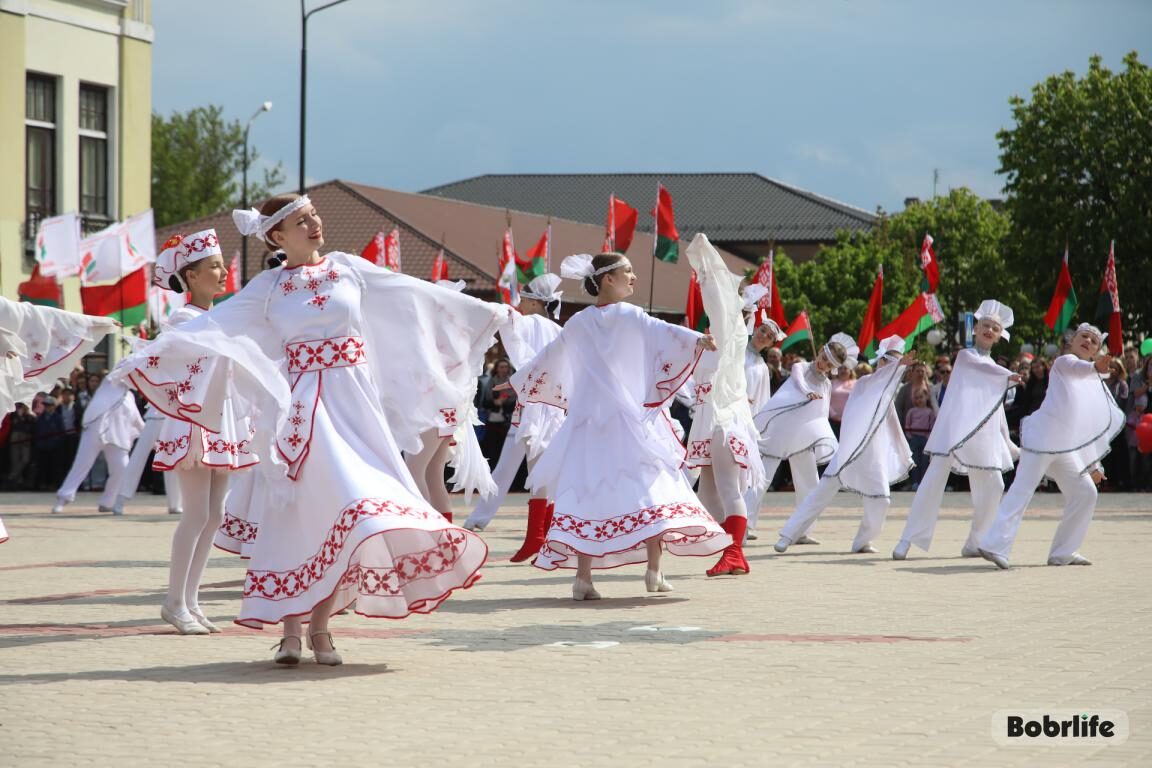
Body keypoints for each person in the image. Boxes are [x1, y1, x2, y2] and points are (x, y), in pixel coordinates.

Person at [117, 193, 504, 664]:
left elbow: (411, 294)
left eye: (314, 216)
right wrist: (147, 357)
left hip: (355, 406)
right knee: (300, 512)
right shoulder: (268, 286)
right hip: (300, 410)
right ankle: (290, 632)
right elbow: (215, 325)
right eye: (302, 220)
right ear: (278, 235)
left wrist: (488, 314)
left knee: (355, 506)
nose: (314, 224)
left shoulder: (349, 268)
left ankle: (320, 629)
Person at [510, 250, 728, 599]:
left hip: (587, 424)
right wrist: (698, 340)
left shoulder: (577, 322)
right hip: (630, 420)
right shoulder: (630, 315)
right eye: (628, 271)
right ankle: (653, 570)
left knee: (587, 492)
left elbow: (551, 360)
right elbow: (665, 333)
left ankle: (584, 578)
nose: (633, 277)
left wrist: (523, 381)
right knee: (652, 488)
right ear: (607, 279)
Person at [146, 230, 255, 634]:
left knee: (215, 515)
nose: (223, 271)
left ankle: (190, 599)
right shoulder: (184, 319)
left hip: (221, 419)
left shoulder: (218, 318)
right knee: (196, 513)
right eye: (213, 266)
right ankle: (174, 600)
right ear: (190, 277)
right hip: (194, 423)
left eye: (222, 264)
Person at [979, 324, 1124, 568]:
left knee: (1086, 493)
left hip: (1066, 447)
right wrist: (1093, 366)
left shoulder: (1093, 381)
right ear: (1073, 340)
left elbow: (1085, 426)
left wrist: (1093, 464)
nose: (1088, 341)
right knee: (1023, 489)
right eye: (1084, 336)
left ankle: (1063, 552)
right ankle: (994, 545)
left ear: (1098, 349)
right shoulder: (1065, 362)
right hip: (1043, 439)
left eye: (1094, 341)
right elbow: (1076, 367)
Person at [892, 301, 1021, 560]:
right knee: (932, 481)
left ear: (999, 335)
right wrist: (1007, 376)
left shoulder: (995, 366)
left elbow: (997, 407)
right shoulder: (965, 356)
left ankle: (975, 541)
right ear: (975, 329)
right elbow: (985, 370)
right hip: (953, 430)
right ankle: (907, 538)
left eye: (995, 328)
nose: (989, 330)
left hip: (982, 434)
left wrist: (1006, 440)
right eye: (986, 325)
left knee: (995, 484)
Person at [774, 336, 914, 553]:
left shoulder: (887, 394)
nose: (898, 370)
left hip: (872, 457)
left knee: (881, 500)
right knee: (820, 494)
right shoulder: (866, 383)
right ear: (883, 363)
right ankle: (788, 534)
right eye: (894, 364)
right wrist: (898, 366)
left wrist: (905, 453)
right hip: (848, 452)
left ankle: (862, 541)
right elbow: (879, 382)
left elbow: (893, 424)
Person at [463, 274, 565, 566]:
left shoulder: (530, 323)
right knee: (540, 469)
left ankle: (537, 538)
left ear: (535, 301)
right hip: (551, 403)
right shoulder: (557, 329)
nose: (519, 304)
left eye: (524, 298)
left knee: (533, 468)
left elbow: (516, 342)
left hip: (534, 403)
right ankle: (541, 537)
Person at [680, 236, 766, 577]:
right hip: (709, 419)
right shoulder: (716, 342)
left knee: (727, 491)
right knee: (708, 494)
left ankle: (734, 553)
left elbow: (718, 300)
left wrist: (707, 268)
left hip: (723, 421)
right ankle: (727, 550)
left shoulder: (732, 339)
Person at [751, 333, 855, 544]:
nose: (822, 363)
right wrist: (807, 392)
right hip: (778, 432)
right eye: (823, 357)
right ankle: (743, 526)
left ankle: (801, 530)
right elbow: (798, 382)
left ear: (832, 368)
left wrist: (819, 439)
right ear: (820, 351)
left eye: (828, 363)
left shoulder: (826, 385)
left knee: (809, 483)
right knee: (762, 478)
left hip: (802, 439)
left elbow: (822, 415)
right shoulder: (801, 367)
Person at [52, 371, 144, 514]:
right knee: (82, 464)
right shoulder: (109, 383)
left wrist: (154, 442)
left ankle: (108, 502)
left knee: (122, 468)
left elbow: (137, 420)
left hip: (117, 435)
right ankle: (63, 498)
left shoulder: (130, 396)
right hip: (95, 430)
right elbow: (121, 368)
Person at [903, 387, 936, 490]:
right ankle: (915, 482)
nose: (919, 400)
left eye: (921, 397)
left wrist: (929, 437)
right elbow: (907, 424)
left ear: (926, 397)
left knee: (925, 461)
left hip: (925, 438)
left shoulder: (930, 412)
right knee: (915, 460)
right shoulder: (911, 411)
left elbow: (932, 425)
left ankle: (924, 482)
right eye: (916, 398)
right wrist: (910, 436)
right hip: (914, 437)